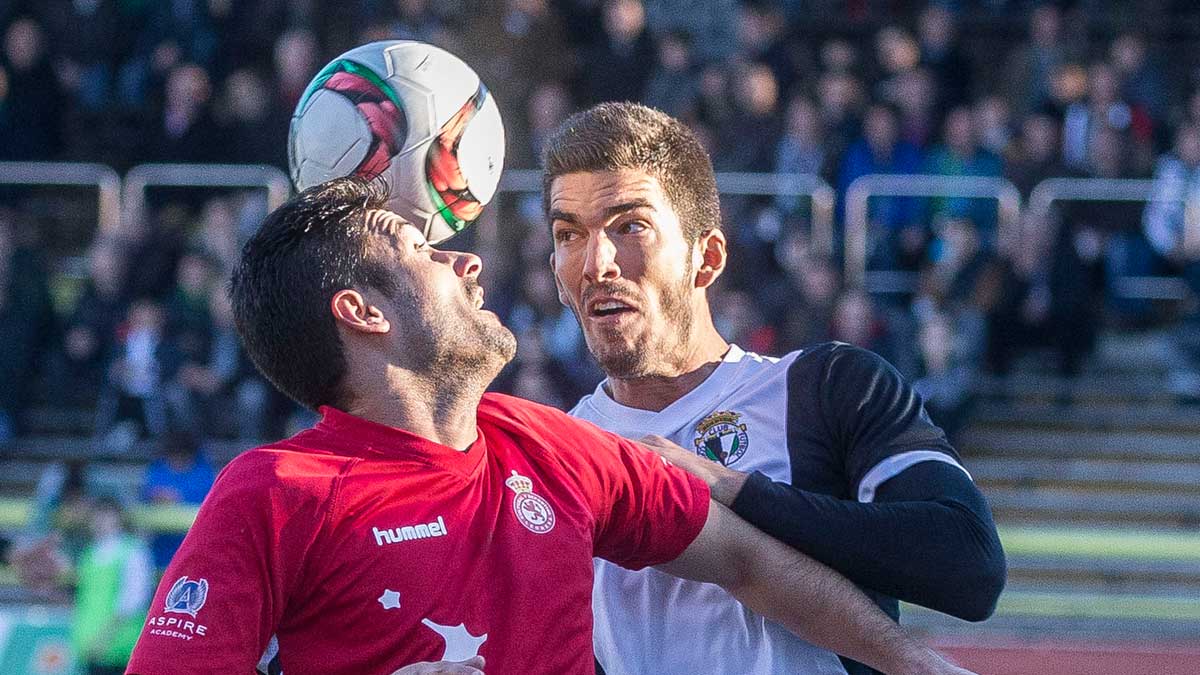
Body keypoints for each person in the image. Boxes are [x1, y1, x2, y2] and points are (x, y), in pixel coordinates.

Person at [125, 178, 971, 675]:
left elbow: (749, 561)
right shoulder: (275, 492)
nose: (468, 260)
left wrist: (917, 664)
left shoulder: (553, 445)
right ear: (361, 312)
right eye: (422, 249)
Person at [542, 102, 1006, 675]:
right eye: (569, 234)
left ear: (706, 258)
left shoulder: (827, 387)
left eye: (630, 225)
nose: (597, 262)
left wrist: (731, 489)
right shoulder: (551, 459)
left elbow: (970, 568)